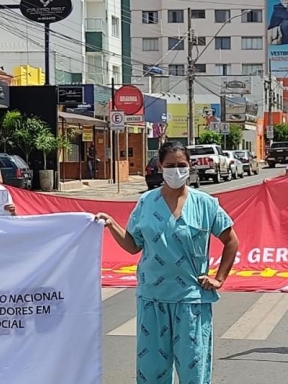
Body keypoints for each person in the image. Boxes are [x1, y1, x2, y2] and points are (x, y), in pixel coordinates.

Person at [95, 141, 239, 384]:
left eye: (181, 165)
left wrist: (219, 278)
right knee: (151, 371)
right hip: (152, 298)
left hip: (191, 301)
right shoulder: (146, 203)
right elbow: (133, 245)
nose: (176, 170)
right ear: (160, 167)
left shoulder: (205, 204)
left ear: (190, 166)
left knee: (194, 371)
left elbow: (231, 240)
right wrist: (111, 224)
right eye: (170, 165)